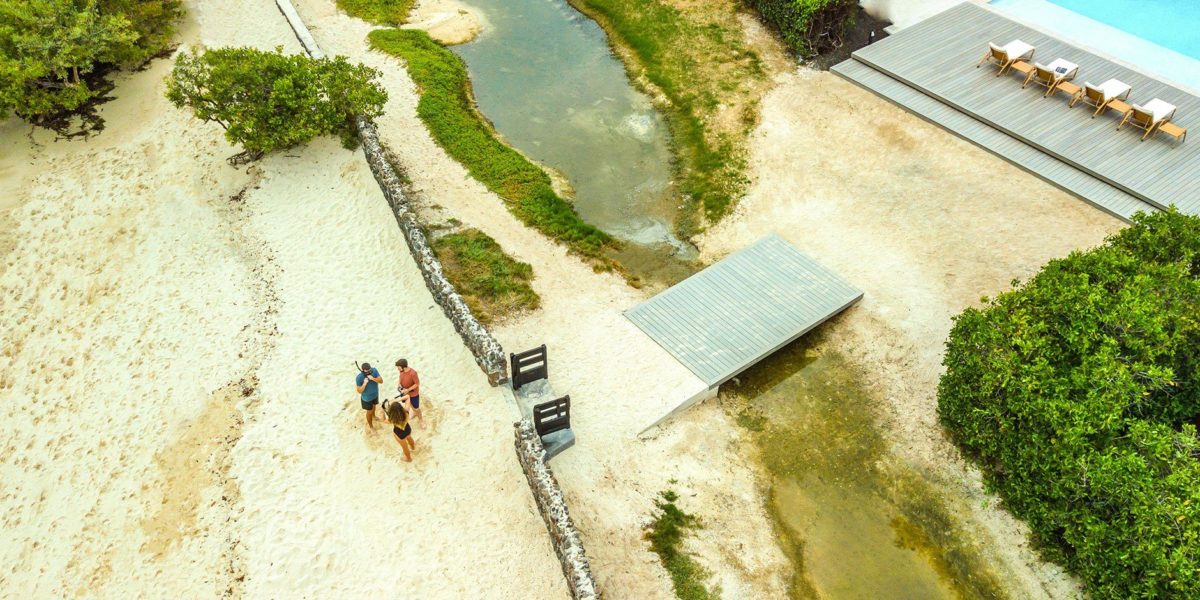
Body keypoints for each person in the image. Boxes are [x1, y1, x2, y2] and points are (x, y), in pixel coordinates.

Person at [384, 397, 416, 462]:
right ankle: (413, 447)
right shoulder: (406, 412)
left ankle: (408, 458)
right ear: (401, 407)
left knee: (405, 448)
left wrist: (382, 411)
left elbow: (384, 420)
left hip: (400, 434)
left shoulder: (391, 419)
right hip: (408, 429)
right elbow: (407, 397)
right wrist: (397, 400)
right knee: (409, 437)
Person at [356, 362, 383, 429]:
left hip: (375, 395)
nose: (369, 372)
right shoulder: (359, 377)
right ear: (363, 371)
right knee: (369, 412)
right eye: (367, 372)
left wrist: (373, 378)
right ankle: (371, 426)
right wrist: (364, 384)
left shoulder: (374, 370)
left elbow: (381, 381)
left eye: (370, 371)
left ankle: (374, 416)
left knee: (374, 407)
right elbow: (359, 391)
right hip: (367, 399)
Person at [395, 358, 422, 426]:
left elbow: (417, 384)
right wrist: (399, 385)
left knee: (417, 408)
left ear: (403, 367)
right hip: (404, 392)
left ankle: (421, 420)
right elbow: (400, 378)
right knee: (409, 404)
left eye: (398, 367)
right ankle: (415, 413)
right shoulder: (401, 371)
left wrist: (408, 390)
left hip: (413, 393)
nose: (398, 369)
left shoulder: (413, 373)